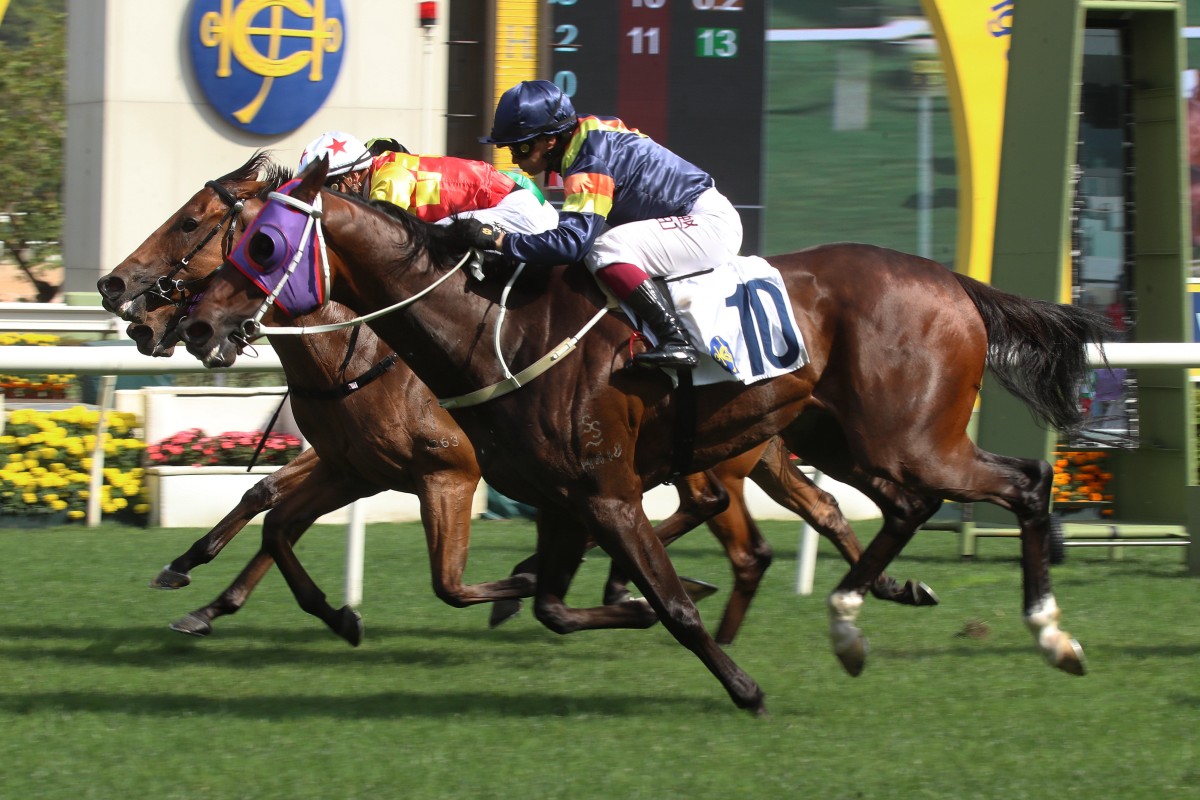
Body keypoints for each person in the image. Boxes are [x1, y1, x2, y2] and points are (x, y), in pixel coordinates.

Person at [476, 80, 744, 370]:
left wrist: (501, 241)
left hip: (708, 225)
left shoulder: (587, 161)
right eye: (509, 148)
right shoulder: (586, 135)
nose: (515, 158)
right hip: (693, 218)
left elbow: (572, 244)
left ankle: (675, 340)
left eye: (522, 146)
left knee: (604, 249)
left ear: (550, 140)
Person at [296, 131, 558, 235]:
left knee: (433, 240)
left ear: (353, 176)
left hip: (521, 211)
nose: (326, 198)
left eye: (329, 188)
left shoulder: (390, 177)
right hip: (508, 204)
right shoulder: (382, 170)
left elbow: (381, 235)